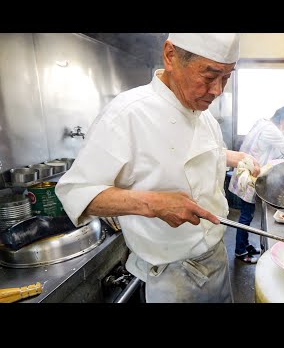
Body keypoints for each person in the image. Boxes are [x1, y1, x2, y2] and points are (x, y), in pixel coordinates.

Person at [55, 33, 260, 303]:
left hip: (217, 261)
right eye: (210, 77)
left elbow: (193, 155)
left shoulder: (203, 113)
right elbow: (75, 192)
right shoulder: (127, 113)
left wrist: (235, 156)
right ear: (171, 56)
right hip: (175, 278)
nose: (218, 90)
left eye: (227, 77)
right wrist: (154, 204)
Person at [228, 104, 284, 263]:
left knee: (247, 213)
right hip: (248, 178)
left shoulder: (263, 123)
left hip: (246, 174)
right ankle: (240, 251)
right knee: (246, 216)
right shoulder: (272, 130)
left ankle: (245, 245)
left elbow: (273, 151)